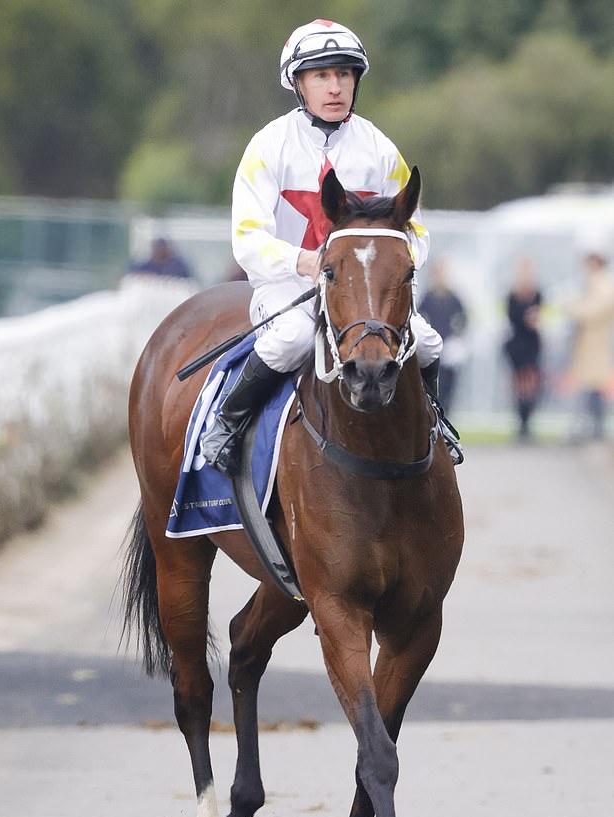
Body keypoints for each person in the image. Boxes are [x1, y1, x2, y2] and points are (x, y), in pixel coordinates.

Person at [201, 19, 460, 475]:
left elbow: (415, 231)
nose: (335, 87)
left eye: (344, 75)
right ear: (298, 84)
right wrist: (303, 261)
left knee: (428, 341)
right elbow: (247, 238)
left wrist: (390, 269)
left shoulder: (380, 149)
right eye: (322, 76)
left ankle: (435, 425)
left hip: (363, 294)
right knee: (294, 339)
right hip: (288, 289)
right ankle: (226, 422)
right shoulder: (267, 146)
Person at [566, 246, 614, 441]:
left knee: (596, 387)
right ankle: (590, 427)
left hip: (597, 345)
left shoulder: (603, 284)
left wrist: (573, 307)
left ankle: (595, 427)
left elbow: (592, 310)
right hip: (590, 346)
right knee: (590, 387)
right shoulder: (596, 284)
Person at [418, 259, 467, 415]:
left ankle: (447, 410)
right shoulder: (427, 297)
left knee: (449, 381)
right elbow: (420, 316)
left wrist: (457, 337)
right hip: (433, 345)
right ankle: (434, 408)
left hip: (449, 344)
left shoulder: (454, 297)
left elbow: (462, 318)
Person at [502, 258, 543, 441]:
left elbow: (538, 317)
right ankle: (521, 423)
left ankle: (528, 421)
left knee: (532, 385)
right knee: (520, 385)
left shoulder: (539, 294)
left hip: (532, 346)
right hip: (517, 347)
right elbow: (514, 319)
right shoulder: (512, 295)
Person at [129, 237, 194, 279]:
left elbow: (189, 280)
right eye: (157, 249)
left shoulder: (177, 265)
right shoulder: (146, 265)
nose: (160, 251)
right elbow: (133, 274)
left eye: (162, 248)